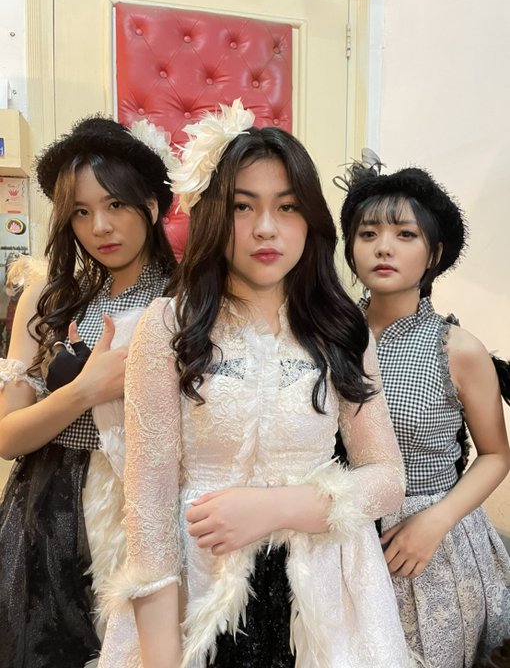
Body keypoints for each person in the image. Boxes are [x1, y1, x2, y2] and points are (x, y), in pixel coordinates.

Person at [99, 100, 409, 668]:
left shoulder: (341, 329)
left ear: (310, 220)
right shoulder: (168, 327)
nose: (266, 228)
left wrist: (276, 507)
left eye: (287, 207)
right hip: (200, 591)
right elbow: (148, 516)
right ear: (215, 216)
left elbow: (387, 479)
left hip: (325, 595)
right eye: (243, 206)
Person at [0, 116, 177, 668]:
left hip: (152, 507)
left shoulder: (188, 300)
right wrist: (82, 391)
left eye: (115, 204)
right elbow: (7, 437)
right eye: (80, 211)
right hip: (50, 508)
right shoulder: (48, 300)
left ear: (151, 205)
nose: (100, 226)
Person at [338, 154, 510, 668]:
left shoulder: (457, 348)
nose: (383, 247)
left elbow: (496, 455)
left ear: (434, 253)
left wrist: (435, 522)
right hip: (338, 537)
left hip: (432, 545)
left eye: (405, 235)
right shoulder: (325, 337)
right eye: (368, 234)